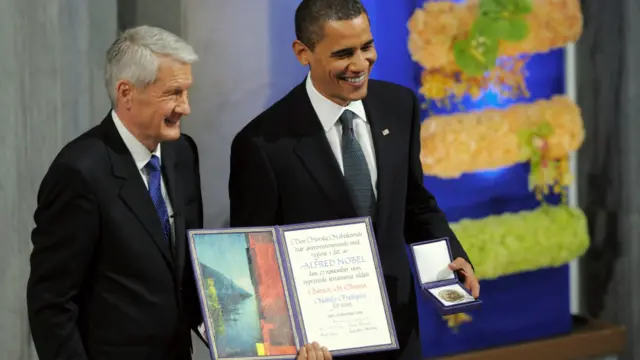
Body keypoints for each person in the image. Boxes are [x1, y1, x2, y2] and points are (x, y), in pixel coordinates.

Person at [228, 1, 480, 359]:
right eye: (343, 53)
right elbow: (256, 259)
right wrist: (286, 345)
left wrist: (453, 257)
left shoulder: (400, 105)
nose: (360, 64)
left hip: (398, 327)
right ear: (303, 52)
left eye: (367, 47)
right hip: (320, 345)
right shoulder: (262, 144)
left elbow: (414, 203)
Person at [27, 26, 204, 360]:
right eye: (174, 93)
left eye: (186, 92)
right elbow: (51, 304)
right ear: (126, 93)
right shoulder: (79, 173)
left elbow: (188, 270)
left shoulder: (183, 153)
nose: (186, 107)